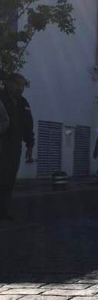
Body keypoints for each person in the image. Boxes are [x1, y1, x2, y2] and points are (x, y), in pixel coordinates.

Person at [0, 74, 35, 220]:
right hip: (1, 143)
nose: (20, 88)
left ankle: (3, 212)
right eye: (18, 84)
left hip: (14, 147)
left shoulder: (23, 103)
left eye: (23, 85)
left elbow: (28, 125)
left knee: (8, 180)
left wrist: (30, 144)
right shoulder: (1, 98)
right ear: (8, 82)